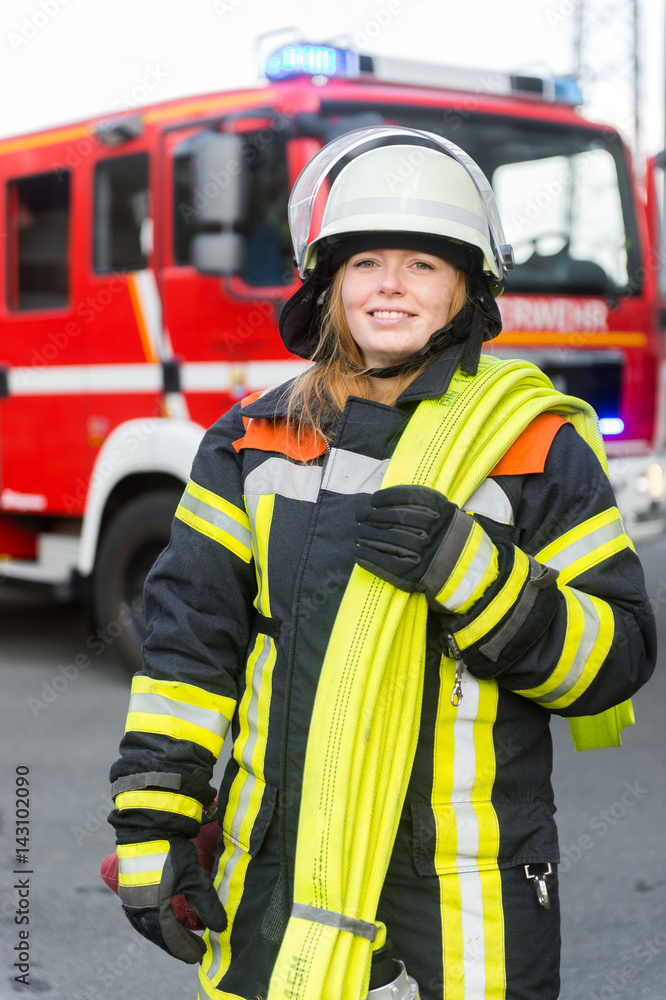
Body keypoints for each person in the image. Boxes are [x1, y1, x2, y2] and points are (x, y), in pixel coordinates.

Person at [107, 127, 656, 1000]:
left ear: (467, 290)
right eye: (365, 263)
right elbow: (189, 650)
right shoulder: (255, 439)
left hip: (469, 879)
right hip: (280, 863)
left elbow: (616, 657)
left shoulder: (535, 446)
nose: (390, 285)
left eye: (424, 265)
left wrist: (484, 582)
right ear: (328, 286)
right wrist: (153, 820)